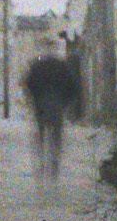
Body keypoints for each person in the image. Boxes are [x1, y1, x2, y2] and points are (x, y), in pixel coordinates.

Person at [22, 51, 82, 179]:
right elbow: (73, 87)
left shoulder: (37, 66)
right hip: (57, 105)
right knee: (56, 135)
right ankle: (54, 164)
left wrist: (34, 99)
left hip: (41, 105)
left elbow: (28, 84)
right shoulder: (62, 66)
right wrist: (65, 103)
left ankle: (42, 162)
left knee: (41, 133)